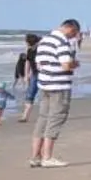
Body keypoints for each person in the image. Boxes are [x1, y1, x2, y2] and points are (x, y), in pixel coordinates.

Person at [30, 19, 81, 168]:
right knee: (56, 118)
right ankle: (47, 157)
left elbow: (38, 64)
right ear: (70, 29)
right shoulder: (62, 42)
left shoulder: (44, 41)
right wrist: (75, 64)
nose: (73, 37)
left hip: (44, 84)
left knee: (43, 118)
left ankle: (35, 156)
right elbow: (66, 65)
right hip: (59, 85)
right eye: (74, 33)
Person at [13, 34, 40, 122]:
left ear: (29, 41)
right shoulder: (29, 50)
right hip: (35, 74)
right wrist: (26, 75)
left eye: (25, 41)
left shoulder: (40, 49)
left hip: (44, 74)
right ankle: (25, 116)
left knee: (47, 94)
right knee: (30, 94)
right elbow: (27, 62)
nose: (25, 42)